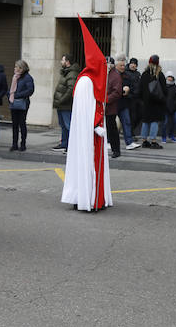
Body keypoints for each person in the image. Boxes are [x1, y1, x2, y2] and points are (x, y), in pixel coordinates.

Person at [62, 18, 112, 212]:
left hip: (95, 132)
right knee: (85, 163)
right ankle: (83, 197)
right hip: (88, 133)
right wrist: (94, 124)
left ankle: (95, 197)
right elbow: (84, 111)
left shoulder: (93, 81)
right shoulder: (85, 81)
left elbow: (97, 104)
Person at [52, 53, 79, 151]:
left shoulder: (71, 73)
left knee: (68, 125)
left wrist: (61, 100)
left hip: (66, 105)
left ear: (67, 62)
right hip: (62, 105)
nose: (61, 62)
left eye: (62, 60)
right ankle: (64, 143)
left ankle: (71, 145)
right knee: (63, 125)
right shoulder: (66, 72)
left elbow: (71, 89)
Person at [139, 55, 166, 149]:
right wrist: (163, 100)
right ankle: (153, 141)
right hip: (157, 103)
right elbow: (164, 90)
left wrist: (143, 100)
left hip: (146, 103)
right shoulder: (159, 75)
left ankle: (144, 141)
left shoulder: (144, 74)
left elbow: (140, 89)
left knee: (146, 121)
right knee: (154, 121)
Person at [8, 59, 35, 152]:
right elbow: (12, 89)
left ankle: (23, 144)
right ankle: (14, 144)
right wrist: (10, 94)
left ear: (22, 68)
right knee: (14, 124)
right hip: (14, 103)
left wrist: (17, 95)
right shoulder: (15, 77)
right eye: (15, 67)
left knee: (22, 123)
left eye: (17, 67)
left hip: (23, 103)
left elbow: (30, 90)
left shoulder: (28, 78)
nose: (15, 68)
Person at [115, 54, 140, 149]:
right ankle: (109, 141)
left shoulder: (126, 75)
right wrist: (122, 90)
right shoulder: (113, 75)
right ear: (116, 66)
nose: (123, 67)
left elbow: (131, 87)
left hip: (124, 103)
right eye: (121, 65)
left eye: (123, 65)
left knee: (127, 122)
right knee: (112, 123)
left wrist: (128, 91)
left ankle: (129, 142)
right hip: (114, 103)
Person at [104, 54, 123, 157]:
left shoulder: (115, 75)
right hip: (104, 107)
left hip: (110, 107)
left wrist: (106, 100)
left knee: (112, 129)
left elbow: (116, 92)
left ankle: (116, 150)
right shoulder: (105, 74)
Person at [126, 57, 143, 137]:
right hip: (129, 98)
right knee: (132, 116)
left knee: (140, 115)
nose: (133, 65)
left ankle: (131, 131)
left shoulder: (138, 74)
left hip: (137, 98)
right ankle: (130, 133)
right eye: (132, 63)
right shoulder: (126, 73)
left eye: (135, 64)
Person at [161, 70, 176, 143]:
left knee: (175, 121)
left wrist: (174, 105)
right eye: (168, 77)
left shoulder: (175, 87)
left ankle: (171, 135)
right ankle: (163, 137)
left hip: (174, 108)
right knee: (165, 123)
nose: (170, 78)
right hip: (165, 108)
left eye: (171, 77)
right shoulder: (163, 86)